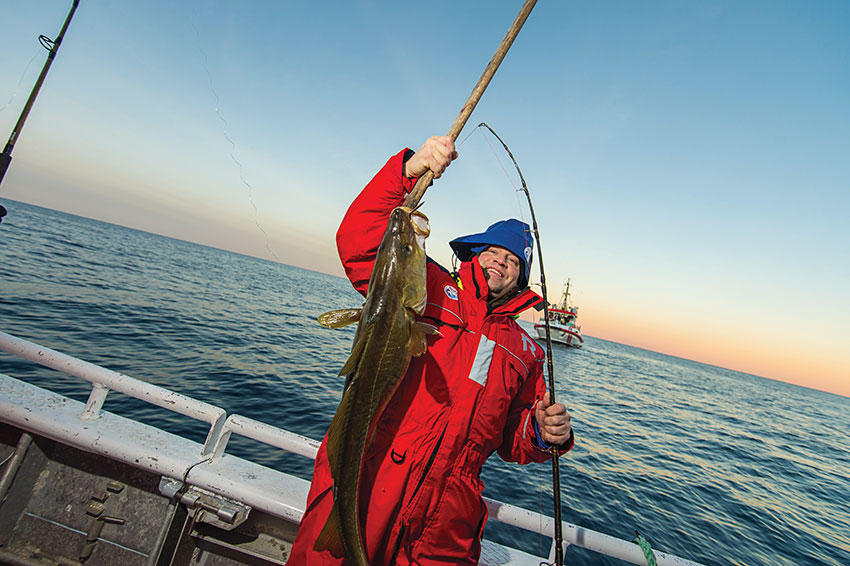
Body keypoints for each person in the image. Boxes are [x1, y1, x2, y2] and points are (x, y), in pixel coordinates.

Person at [287, 136, 573, 566]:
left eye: (513, 260)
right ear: (474, 255)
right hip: (370, 472)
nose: (500, 262)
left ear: (522, 278)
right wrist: (406, 172)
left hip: (446, 522)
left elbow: (513, 437)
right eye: (493, 251)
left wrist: (542, 431)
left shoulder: (526, 353)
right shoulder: (429, 285)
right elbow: (361, 242)